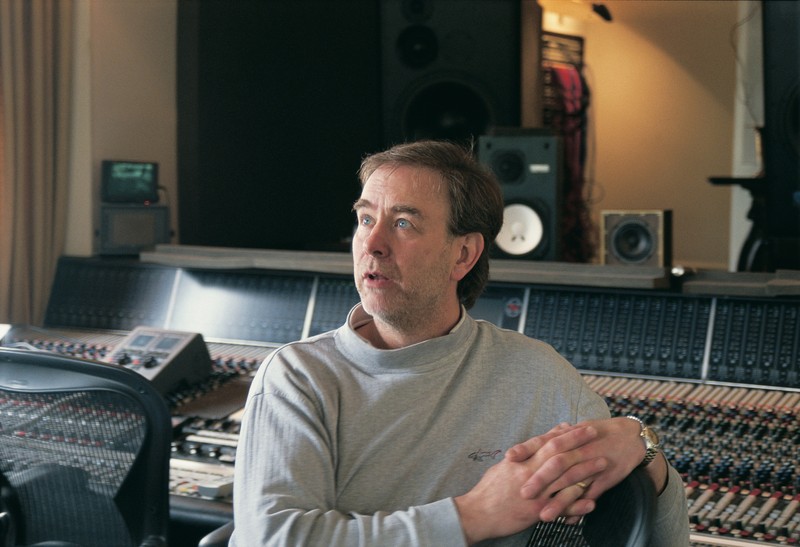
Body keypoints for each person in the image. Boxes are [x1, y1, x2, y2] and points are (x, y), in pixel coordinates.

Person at [230, 140, 689, 546]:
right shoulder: (297, 377)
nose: (372, 243)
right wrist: (474, 515)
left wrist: (646, 455)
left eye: (403, 223)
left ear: (463, 254)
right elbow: (270, 539)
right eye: (366, 218)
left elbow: (659, 535)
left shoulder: (540, 375)